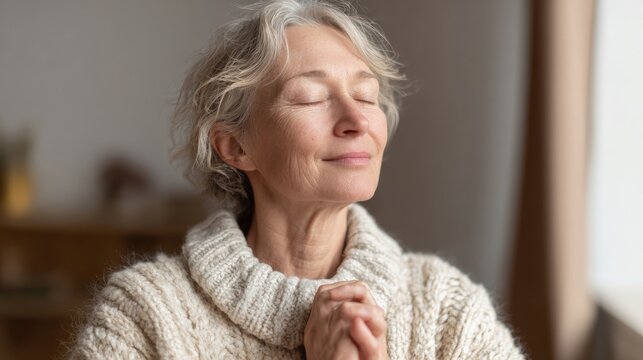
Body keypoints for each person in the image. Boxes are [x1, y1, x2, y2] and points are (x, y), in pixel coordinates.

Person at [71, 0, 524, 358]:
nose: (356, 120)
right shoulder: (145, 315)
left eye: (366, 96)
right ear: (235, 146)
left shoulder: (447, 309)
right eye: (310, 99)